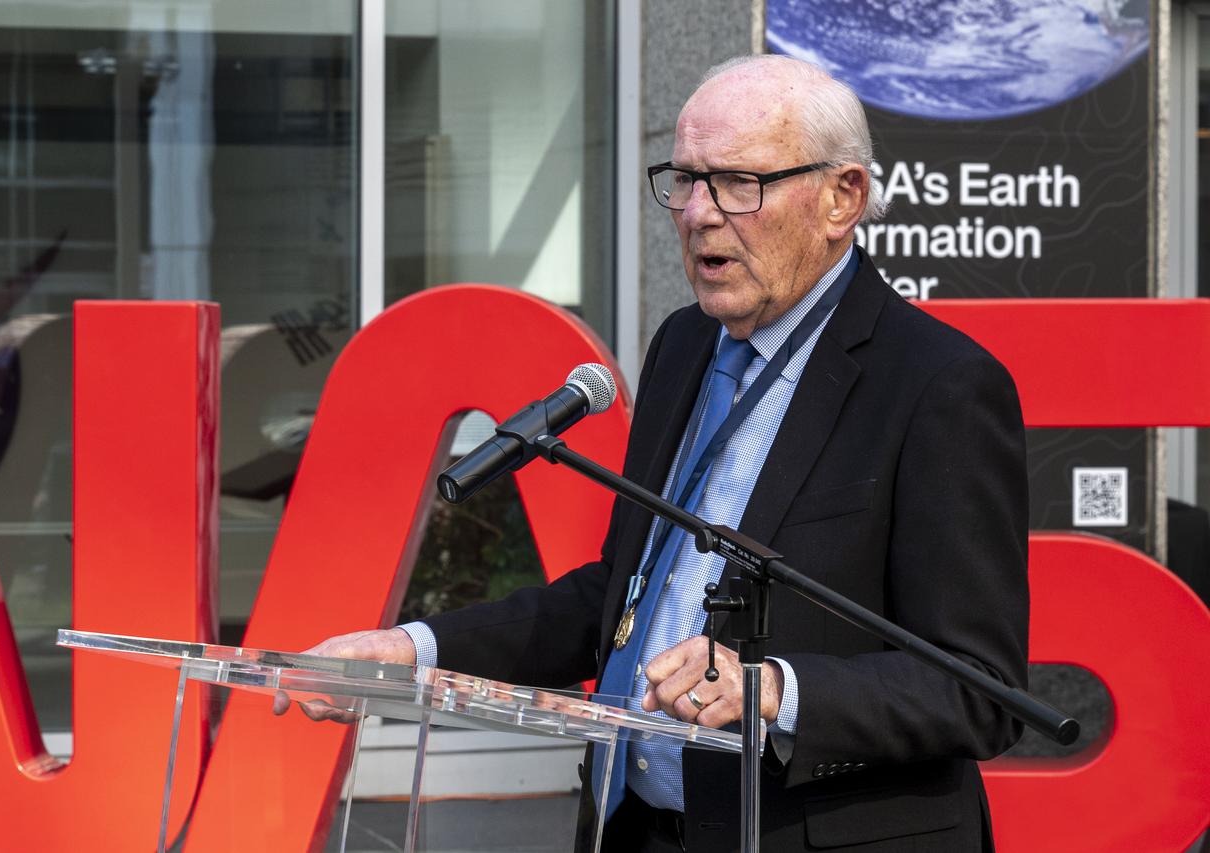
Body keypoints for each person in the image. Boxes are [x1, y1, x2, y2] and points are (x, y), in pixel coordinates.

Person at [277, 54, 1029, 852]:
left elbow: (979, 689)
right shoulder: (684, 346)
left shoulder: (940, 384)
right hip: (637, 829)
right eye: (685, 178)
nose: (699, 212)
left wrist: (773, 689)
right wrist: (410, 650)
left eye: (740, 182)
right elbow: (619, 599)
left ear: (841, 197)